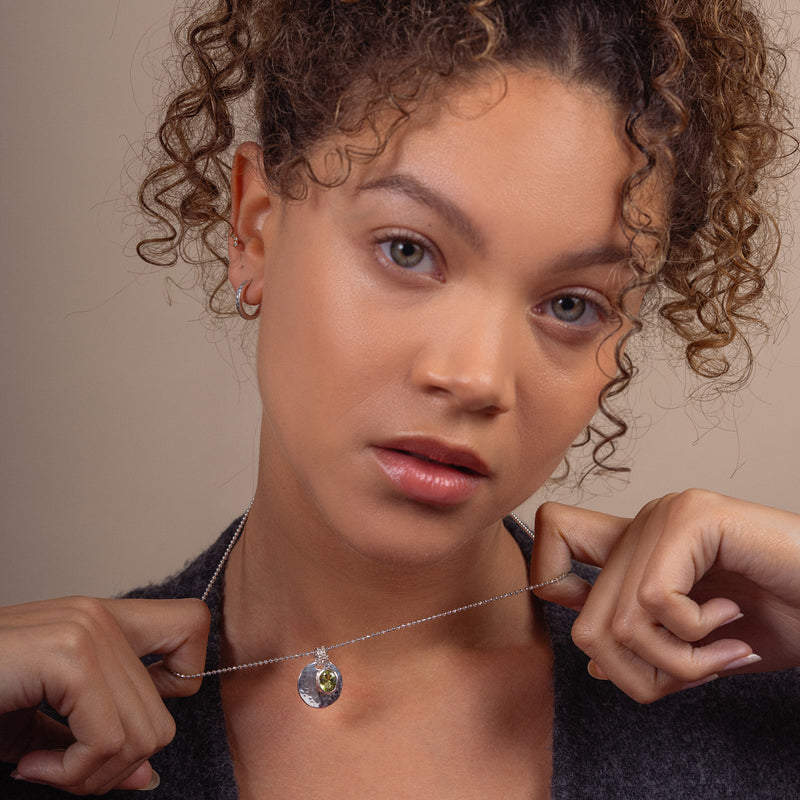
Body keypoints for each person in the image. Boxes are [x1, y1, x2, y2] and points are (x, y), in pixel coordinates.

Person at [2, 0, 799, 797]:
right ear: (253, 229)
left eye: (571, 305)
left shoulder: (748, 710)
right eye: (408, 250)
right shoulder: (35, 735)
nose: (477, 377)